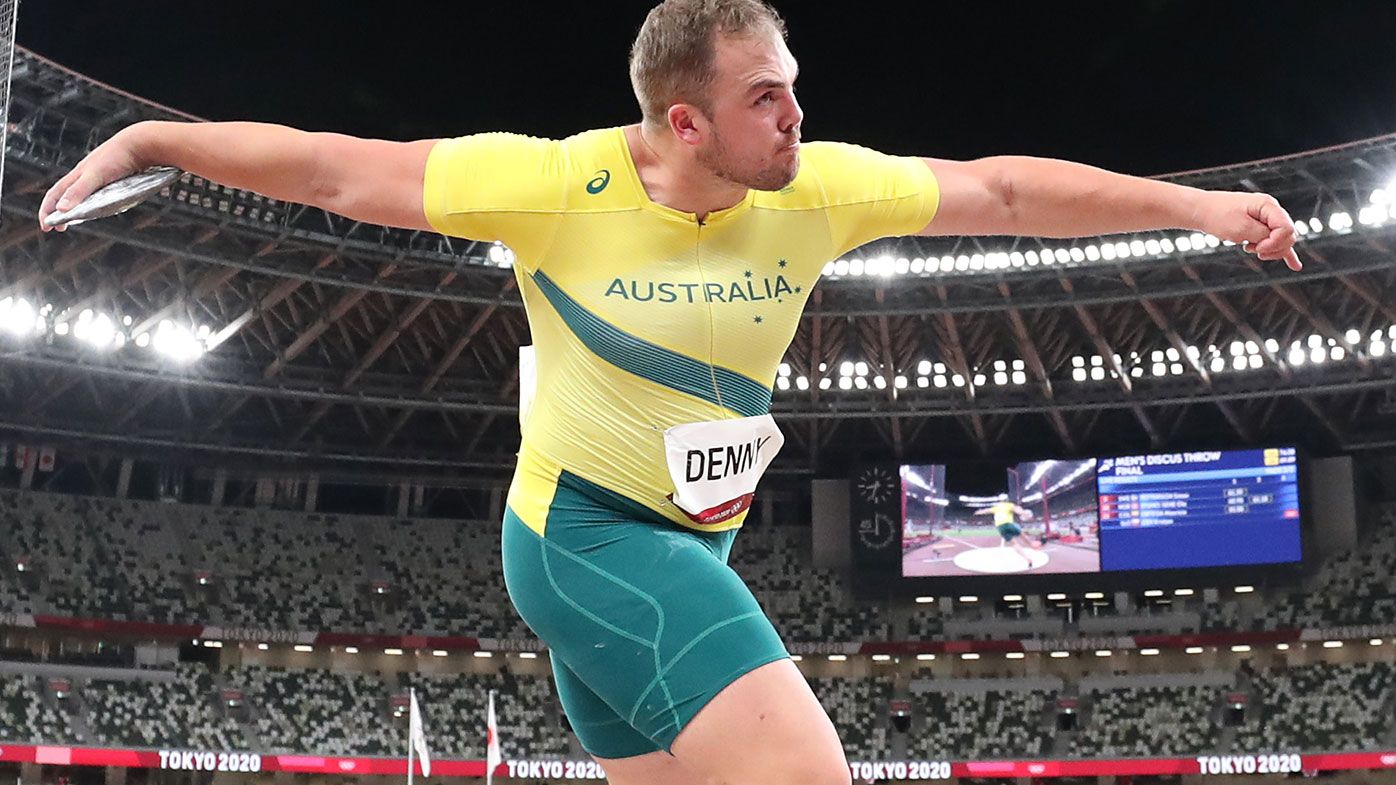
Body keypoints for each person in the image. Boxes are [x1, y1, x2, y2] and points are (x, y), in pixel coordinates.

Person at [37, 2, 1302, 782]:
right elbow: (329, 167)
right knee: (803, 772)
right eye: (767, 98)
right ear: (684, 125)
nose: (798, 115)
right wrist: (155, 140)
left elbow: (1007, 192)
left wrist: (1196, 207)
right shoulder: (551, 188)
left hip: (687, 541)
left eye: (793, 82)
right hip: (585, 535)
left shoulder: (813, 190)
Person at [973, 498, 1042, 569]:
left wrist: (978, 512)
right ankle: (1032, 545)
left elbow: (986, 511)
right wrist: (1024, 513)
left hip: (1000, 528)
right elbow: (1017, 510)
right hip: (1008, 524)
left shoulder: (996, 508)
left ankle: (1027, 558)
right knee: (1021, 534)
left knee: (1014, 544)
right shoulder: (1009, 505)